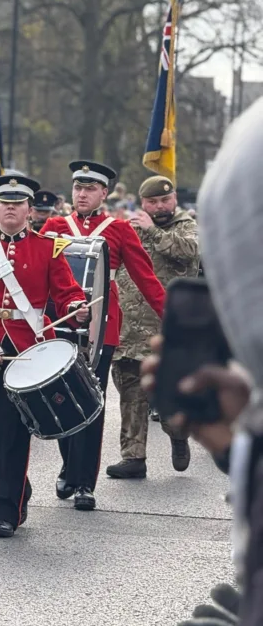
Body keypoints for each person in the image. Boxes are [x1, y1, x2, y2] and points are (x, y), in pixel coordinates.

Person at [0, 174, 90, 537]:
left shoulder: (49, 248)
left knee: (14, 434)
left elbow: (67, 292)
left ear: (30, 210)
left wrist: (77, 306)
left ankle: (5, 511)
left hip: (28, 354)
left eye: (18, 203)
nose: (10, 208)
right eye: (4, 202)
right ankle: (18, 487)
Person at [41, 161, 167, 510]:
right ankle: (69, 463)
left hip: (102, 326)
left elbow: (146, 279)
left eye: (90, 189)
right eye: (77, 188)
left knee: (92, 403)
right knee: (61, 399)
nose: (81, 194)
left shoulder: (120, 230)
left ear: (103, 193)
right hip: (60, 321)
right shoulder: (52, 227)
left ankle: (84, 482)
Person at [106, 175, 199, 479]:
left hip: (167, 327)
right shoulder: (131, 226)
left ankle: (178, 434)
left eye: (164, 200)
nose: (159, 206)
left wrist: (153, 231)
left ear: (174, 200)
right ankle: (134, 456)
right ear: (142, 202)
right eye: (152, 202)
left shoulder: (185, 225)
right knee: (130, 389)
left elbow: (188, 252)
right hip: (129, 327)